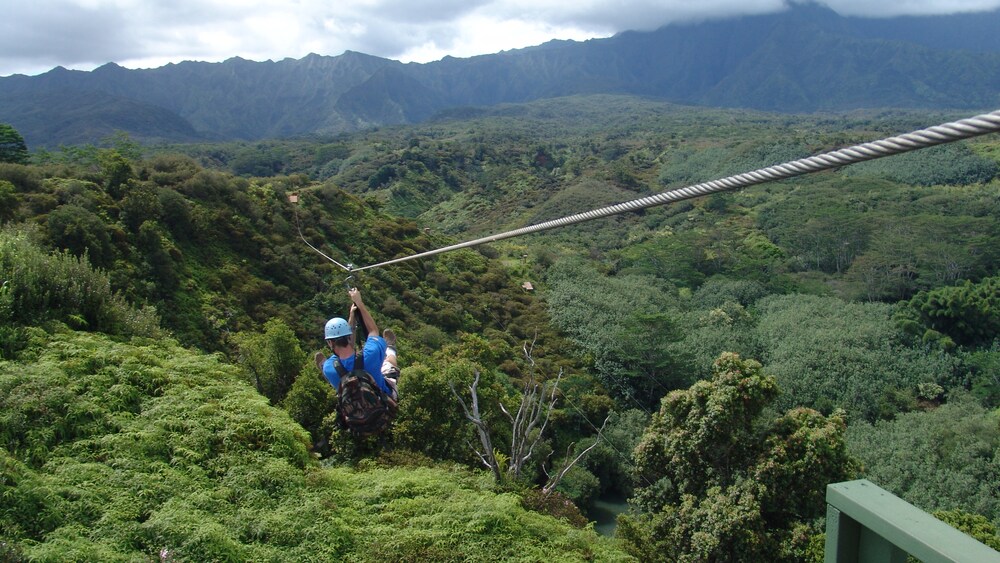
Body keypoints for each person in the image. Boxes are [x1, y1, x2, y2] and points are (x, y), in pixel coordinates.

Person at [319, 288, 398, 400]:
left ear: (330, 342)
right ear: (349, 336)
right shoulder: (371, 354)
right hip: (384, 404)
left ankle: (325, 374)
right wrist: (360, 304)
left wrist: (351, 319)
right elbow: (373, 331)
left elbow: (345, 350)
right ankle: (391, 348)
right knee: (389, 364)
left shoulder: (329, 367)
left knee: (333, 375)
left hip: (354, 414)